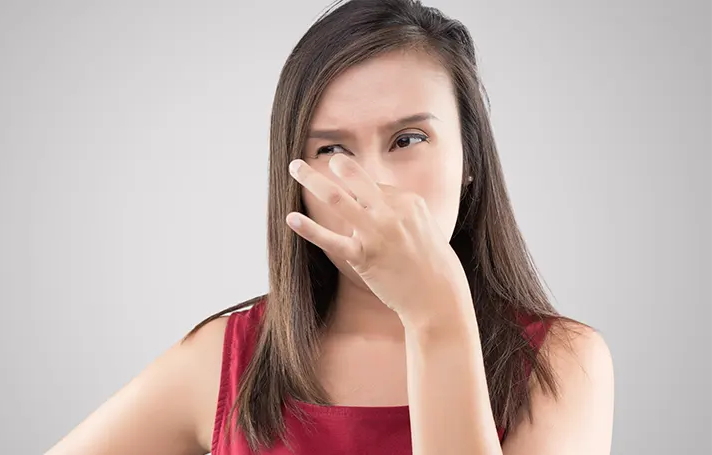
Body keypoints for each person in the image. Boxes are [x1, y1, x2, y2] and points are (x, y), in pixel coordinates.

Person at [45, 0, 615, 454]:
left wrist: (437, 317)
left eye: (408, 140)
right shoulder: (231, 360)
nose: (371, 181)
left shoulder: (560, 362)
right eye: (332, 149)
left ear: (471, 160)